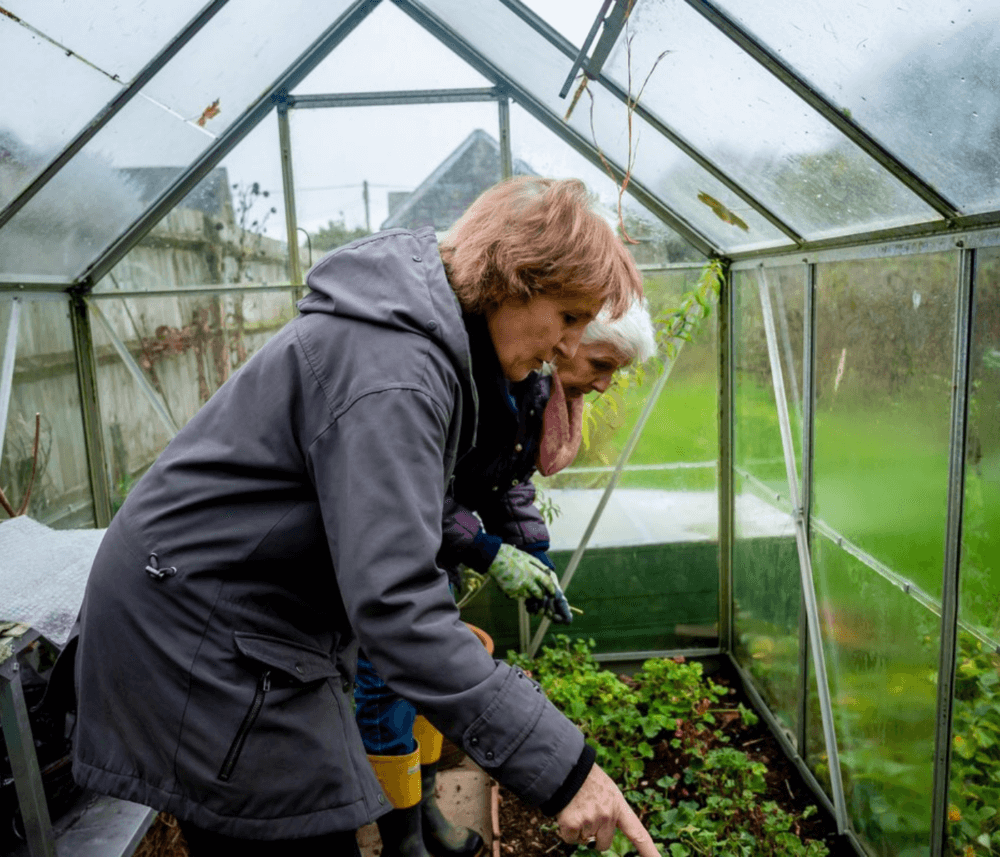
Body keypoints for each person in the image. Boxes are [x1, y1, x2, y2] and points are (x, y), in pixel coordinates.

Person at [70, 176, 662, 857]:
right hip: (195, 631)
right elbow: (399, 609)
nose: (568, 347)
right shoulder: (396, 373)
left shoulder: (430, 347)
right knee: (305, 828)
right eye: (568, 316)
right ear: (516, 279)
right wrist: (569, 772)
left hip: (233, 614)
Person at [355, 299, 657, 857]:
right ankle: (400, 839)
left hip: (435, 554)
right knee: (384, 685)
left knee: (421, 687)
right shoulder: (476, 378)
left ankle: (423, 814)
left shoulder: (538, 391)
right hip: (389, 556)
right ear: (563, 339)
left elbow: (506, 476)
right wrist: (491, 551)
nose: (605, 383)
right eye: (600, 364)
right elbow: (420, 492)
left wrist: (532, 550)